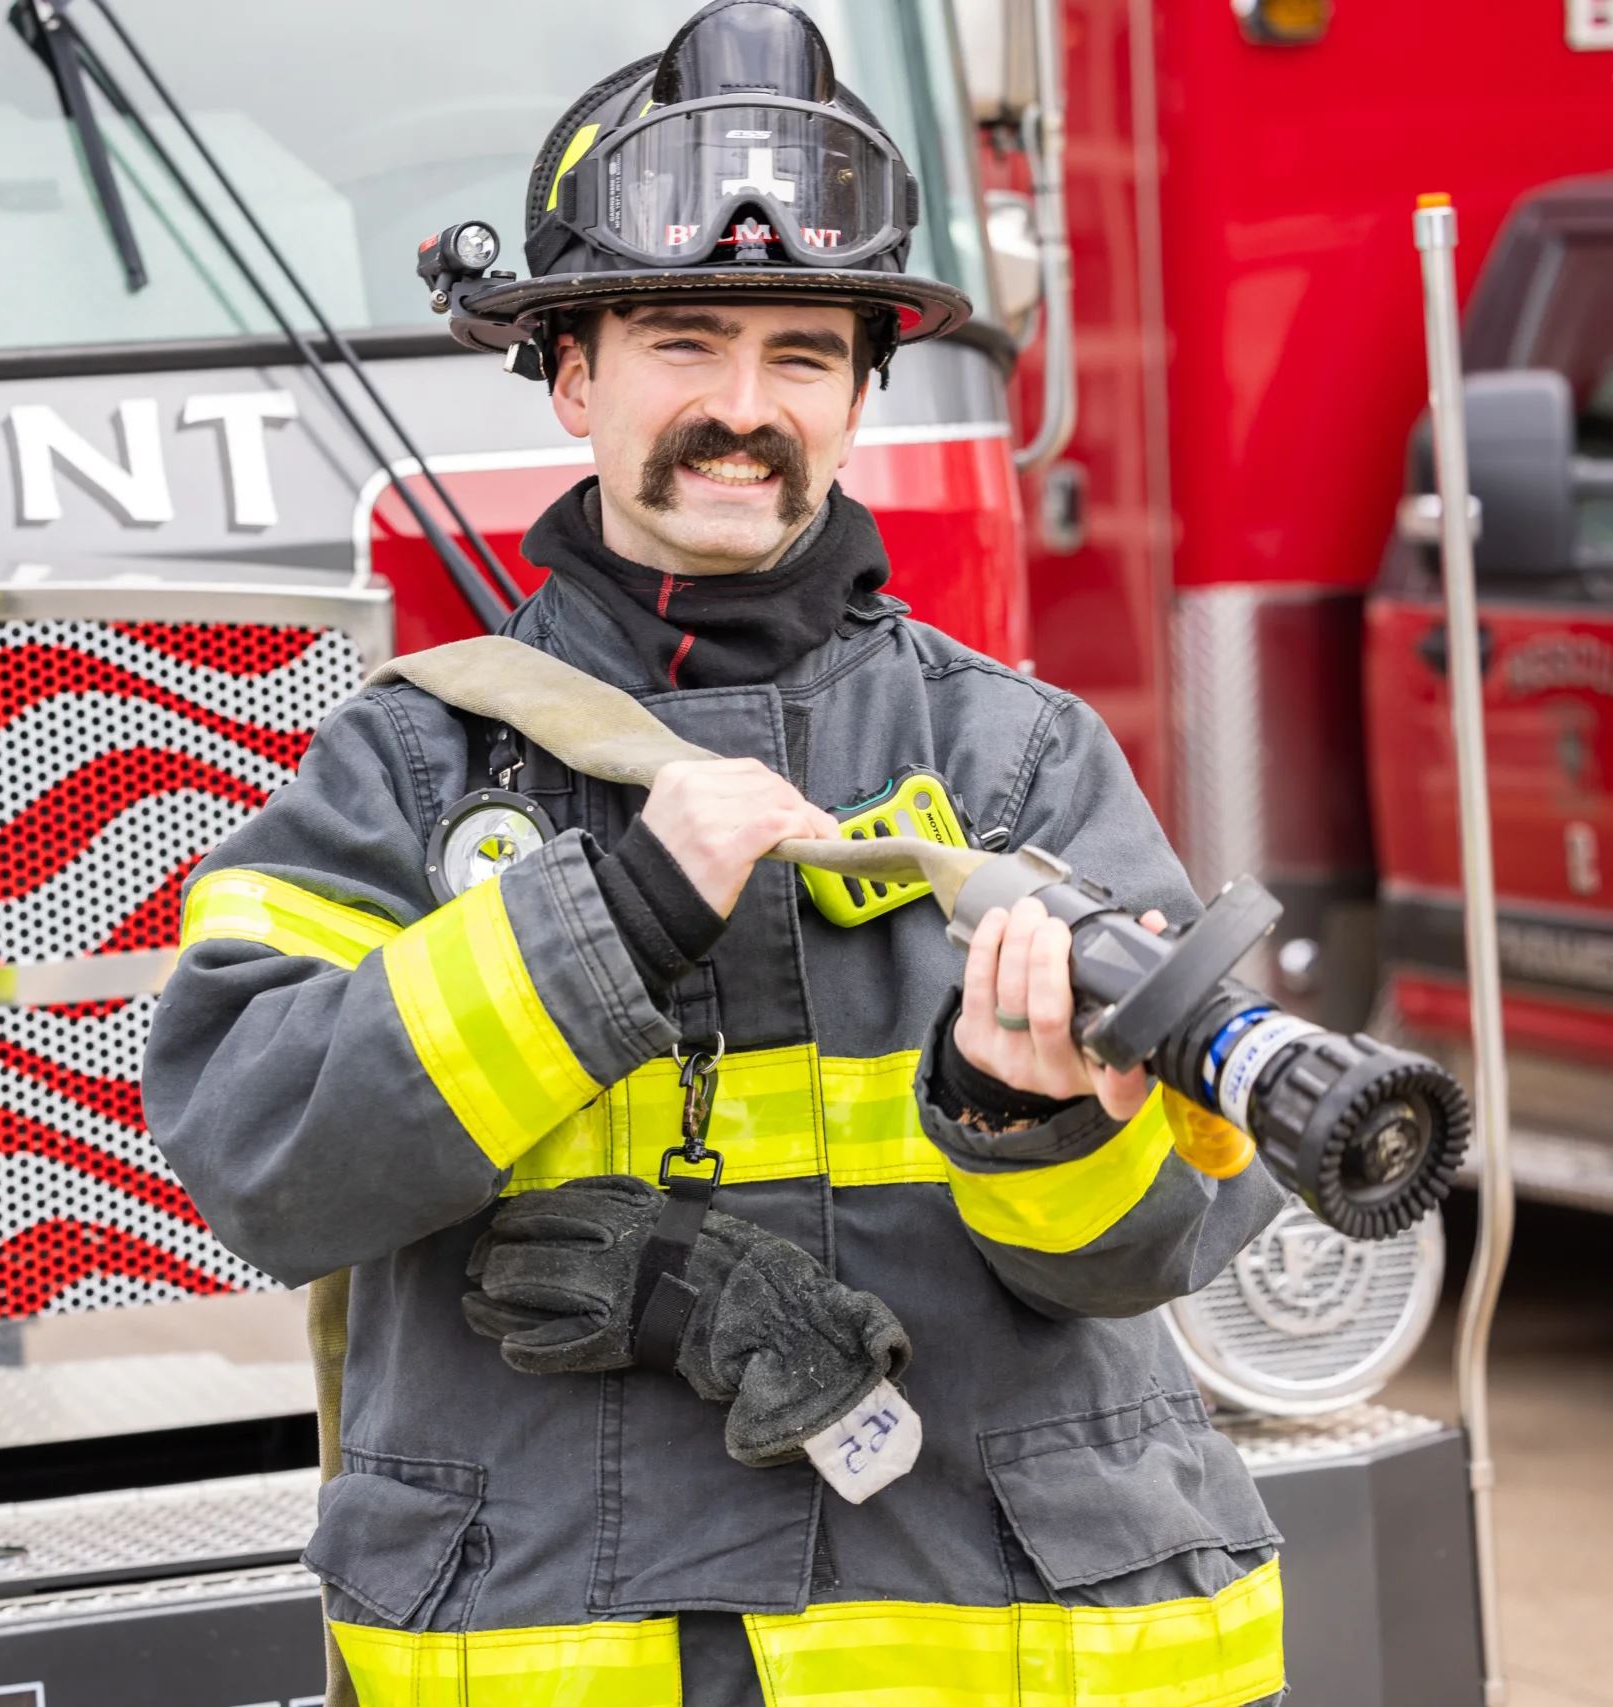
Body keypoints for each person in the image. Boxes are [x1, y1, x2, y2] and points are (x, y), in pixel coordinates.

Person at [144, 4, 1287, 1702]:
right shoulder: (413, 761)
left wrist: (1036, 1117)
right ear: (578, 372)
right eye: (683, 343)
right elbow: (258, 1157)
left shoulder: (1020, 759)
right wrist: (599, 920)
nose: (741, 410)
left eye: (802, 358)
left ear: (858, 393)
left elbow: (1163, 1245)